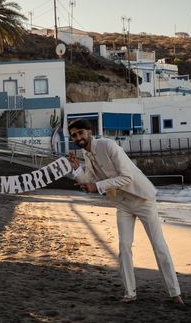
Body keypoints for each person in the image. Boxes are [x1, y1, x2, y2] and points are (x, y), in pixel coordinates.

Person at [67, 119, 184, 306]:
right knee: (124, 247)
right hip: (122, 202)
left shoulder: (108, 145)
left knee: (159, 245)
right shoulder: (86, 153)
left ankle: (175, 293)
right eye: (74, 135)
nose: (78, 137)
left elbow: (126, 177)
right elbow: (89, 178)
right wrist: (76, 169)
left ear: (89, 132)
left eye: (81, 133)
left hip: (143, 198)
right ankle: (130, 293)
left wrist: (96, 186)